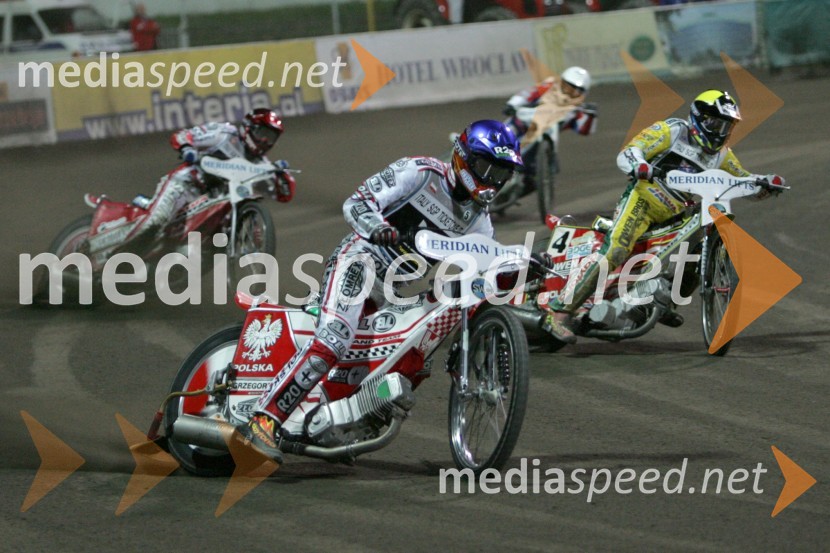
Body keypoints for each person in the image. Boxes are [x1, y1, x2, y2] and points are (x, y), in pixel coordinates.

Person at [234, 120, 533, 462]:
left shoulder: (478, 218)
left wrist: (520, 264)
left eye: (501, 174)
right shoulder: (418, 172)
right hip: (359, 261)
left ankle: (345, 423)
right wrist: (377, 228)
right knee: (334, 338)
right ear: (463, 156)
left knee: (412, 355)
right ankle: (263, 419)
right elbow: (357, 203)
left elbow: (486, 257)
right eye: (486, 168)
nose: (492, 180)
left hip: (393, 289)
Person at [543, 90, 787, 344]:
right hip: (642, 203)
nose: (720, 130)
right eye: (715, 123)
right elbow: (629, 151)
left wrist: (766, 184)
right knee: (616, 251)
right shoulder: (671, 131)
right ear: (699, 119)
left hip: (675, 215)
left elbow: (740, 179)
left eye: (726, 125)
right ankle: (559, 312)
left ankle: (661, 302)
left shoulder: (722, 154)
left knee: (696, 250)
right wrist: (639, 165)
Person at [115, 108, 294, 257]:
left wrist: (281, 176)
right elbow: (183, 135)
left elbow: (285, 195)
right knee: (157, 220)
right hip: (186, 184)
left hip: (215, 201)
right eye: (262, 133)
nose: (265, 141)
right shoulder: (223, 134)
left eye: (271, 137)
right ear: (249, 128)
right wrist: (187, 149)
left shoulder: (261, 163)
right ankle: (119, 256)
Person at [504, 66, 597, 148]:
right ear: (561, 82)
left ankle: (548, 162)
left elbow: (583, 130)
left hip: (546, 134)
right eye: (567, 86)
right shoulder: (548, 87)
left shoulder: (576, 110)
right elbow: (527, 94)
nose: (568, 92)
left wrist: (591, 117)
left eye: (575, 90)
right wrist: (512, 104)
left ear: (582, 93)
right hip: (520, 123)